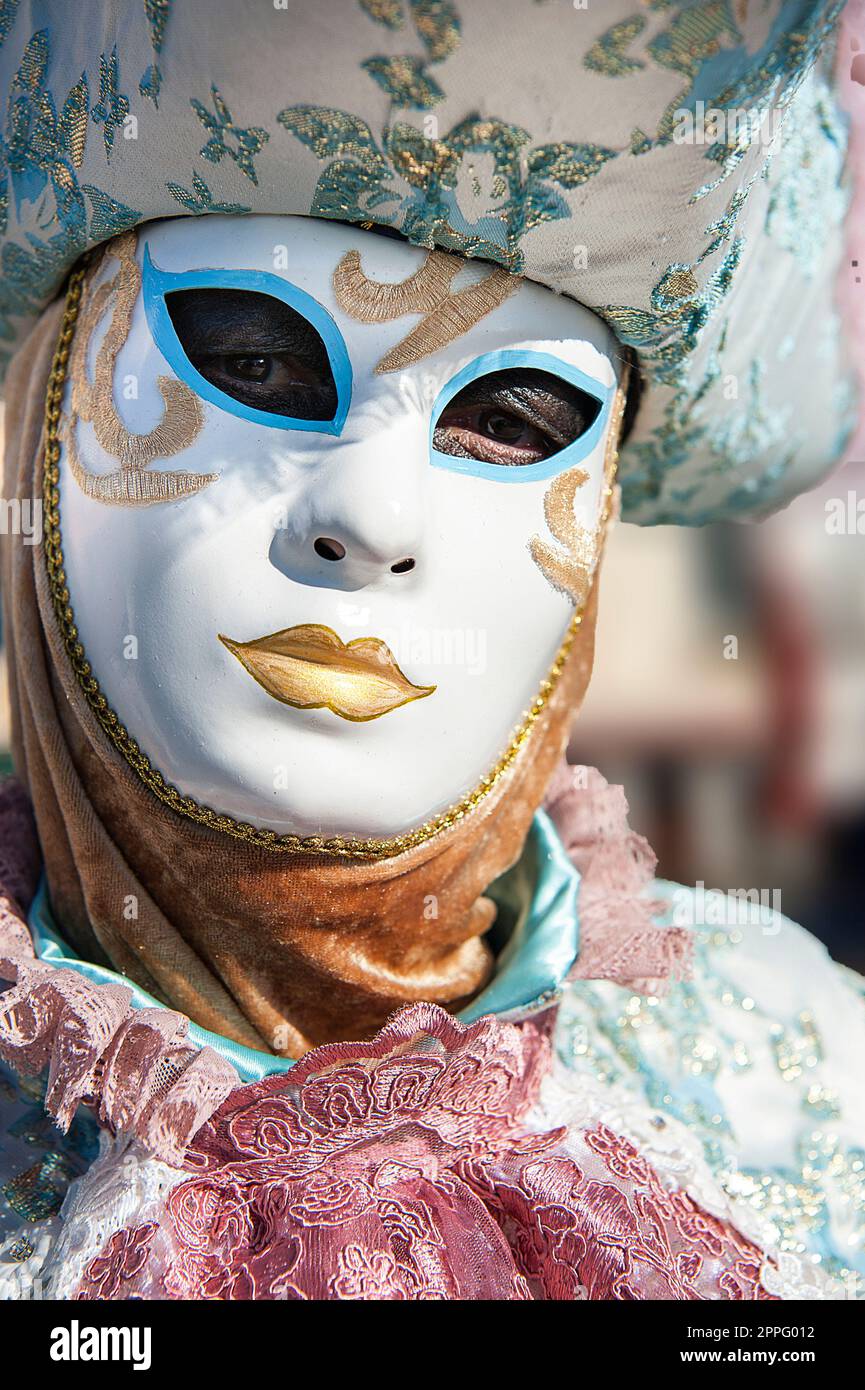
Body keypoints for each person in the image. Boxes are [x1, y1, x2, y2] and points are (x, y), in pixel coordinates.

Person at [0, 0, 862, 1300]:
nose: (369, 518)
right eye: (252, 358)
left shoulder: (798, 1074)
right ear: (42, 424)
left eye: (513, 418)